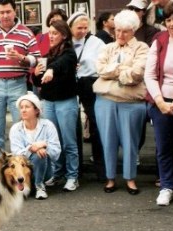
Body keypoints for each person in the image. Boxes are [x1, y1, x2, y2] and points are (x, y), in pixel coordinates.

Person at [93, 9, 149, 195]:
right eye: (117, 30)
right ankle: (110, 178)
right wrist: (122, 69)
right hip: (105, 101)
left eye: (125, 31)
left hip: (131, 103)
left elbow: (137, 74)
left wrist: (114, 71)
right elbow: (100, 69)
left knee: (130, 141)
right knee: (107, 140)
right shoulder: (107, 48)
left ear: (133, 30)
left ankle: (130, 178)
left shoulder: (142, 48)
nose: (120, 34)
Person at [0, 0, 41, 153]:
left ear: (15, 11)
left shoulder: (25, 32)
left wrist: (21, 57)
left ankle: (23, 165)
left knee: (22, 127)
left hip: (18, 84)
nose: (5, 16)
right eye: (2, 12)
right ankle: (0, 167)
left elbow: (36, 58)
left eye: (8, 12)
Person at [144, 0, 173, 206]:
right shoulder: (159, 40)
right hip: (161, 103)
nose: (171, 24)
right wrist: (160, 102)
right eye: (168, 20)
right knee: (163, 148)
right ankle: (167, 187)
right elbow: (149, 75)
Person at [32, 20, 79, 192]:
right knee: (54, 141)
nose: (50, 36)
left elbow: (61, 65)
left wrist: (51, 69)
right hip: (49, 102)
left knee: (69, 141)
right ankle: (58, 173)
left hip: (66, 102)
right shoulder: (49, 54)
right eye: (49, 32)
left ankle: (73, 176)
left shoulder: (69, 53)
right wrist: (37, 75)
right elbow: (39, 81)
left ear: (64, 36)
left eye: (55, 33)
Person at [69, 12, 107, 182]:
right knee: (72, 125)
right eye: (79, 28)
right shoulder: (65, 42)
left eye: (86, 28)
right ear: (70, 28)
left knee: (96, 124)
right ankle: (76, 169)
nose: (83, 31)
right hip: (70, 82)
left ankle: (101, 168)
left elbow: (102, 63)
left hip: (89, 83)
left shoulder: (96, 42)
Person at [9, 92, 61, 200]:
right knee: (37, 153)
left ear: (36, 110)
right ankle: (24, 186)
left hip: (46, 169)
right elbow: (16, 154)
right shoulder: (15, 129)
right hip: (22, 171)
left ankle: (39, 186)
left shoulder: (48, 125)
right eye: (21, 107)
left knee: (40, 154)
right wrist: (31, 148)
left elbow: (56, 152)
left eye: (27, 107)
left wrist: (44, 146)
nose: (23, 110)